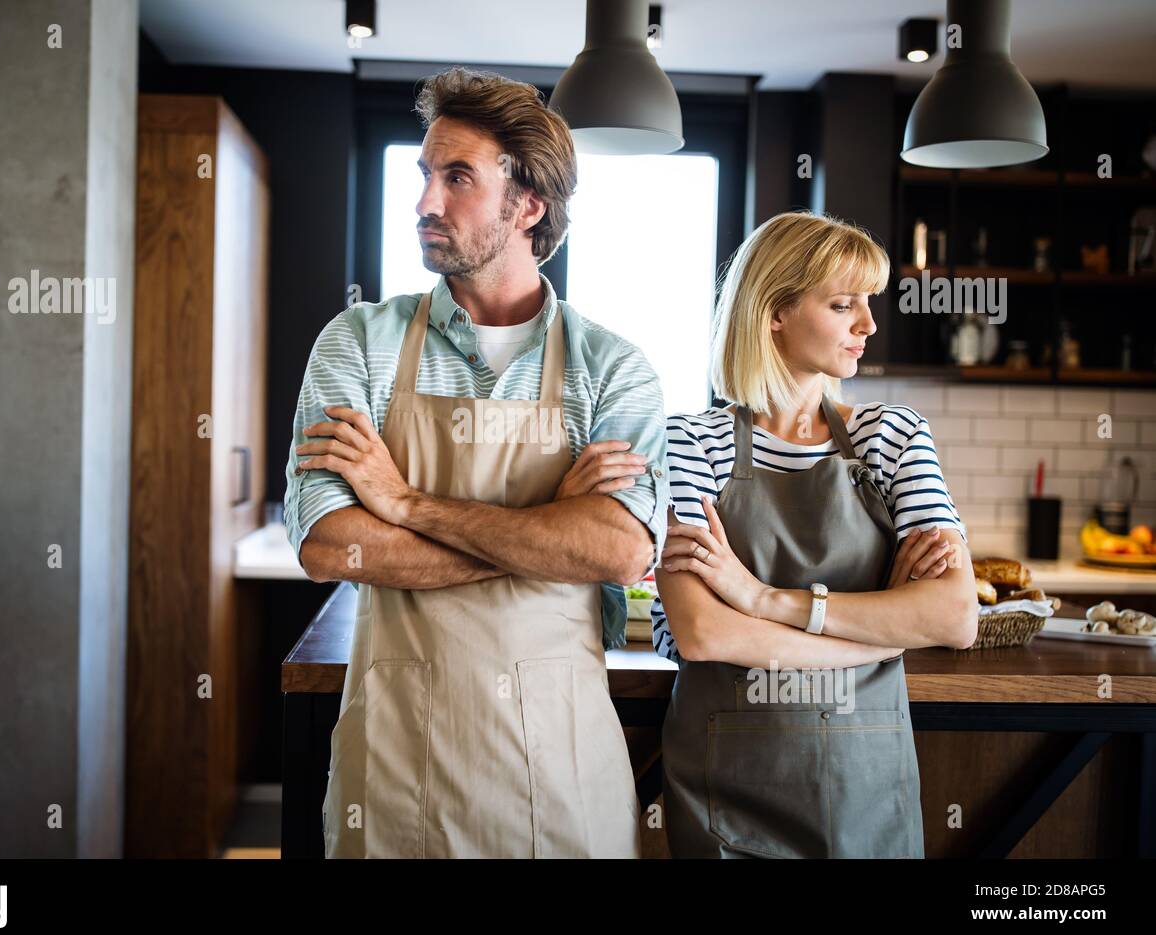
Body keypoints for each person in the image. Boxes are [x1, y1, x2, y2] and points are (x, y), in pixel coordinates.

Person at [284, 67, 668, 858]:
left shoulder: (612, 367)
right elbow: (328, 547)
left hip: (560, 780)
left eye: (457, 177)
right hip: (395, 774)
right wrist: (546, 537)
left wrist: (406, 505)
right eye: (426, 174)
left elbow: (621, 549)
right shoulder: (357, 343)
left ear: (529, 205)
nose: (425, 201)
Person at [652, 211, 978, 858]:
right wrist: (879, 637)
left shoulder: (894, 436)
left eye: (868, 304)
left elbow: (955, 617)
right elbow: (703, 633)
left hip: (867, 786)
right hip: (728, 794)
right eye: (842, 305)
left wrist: (759, 598)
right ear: (774, 311)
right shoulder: (687, 443)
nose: (868, 325)